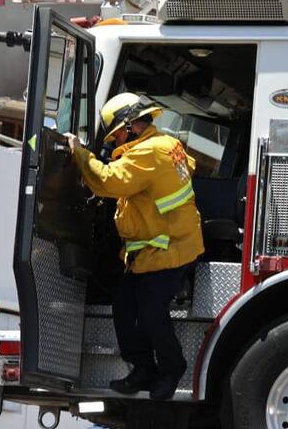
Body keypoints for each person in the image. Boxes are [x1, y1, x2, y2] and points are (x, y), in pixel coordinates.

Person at [65, 92, 204, 401]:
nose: (113, 144)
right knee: (125, 308)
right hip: (153, 251)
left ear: (131, 127)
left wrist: (79, 153)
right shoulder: (161, 145)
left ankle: (172, 368)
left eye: (115, 137)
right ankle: (143, 370)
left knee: (152, 313)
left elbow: (108, 183)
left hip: (170, 251)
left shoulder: (149, 153)